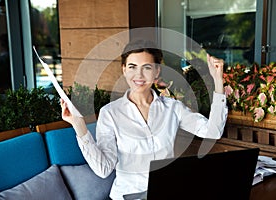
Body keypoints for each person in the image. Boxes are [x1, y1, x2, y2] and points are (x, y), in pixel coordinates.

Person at [61, 39, 228, 200]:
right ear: (124, 69)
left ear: (156, 72)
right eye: (132, 67)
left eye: (146, 68)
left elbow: (212, 132)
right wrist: (79, 126)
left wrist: (218, 81)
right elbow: (103, 169)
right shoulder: (110, 113)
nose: (138, 75)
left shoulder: (173, 108)